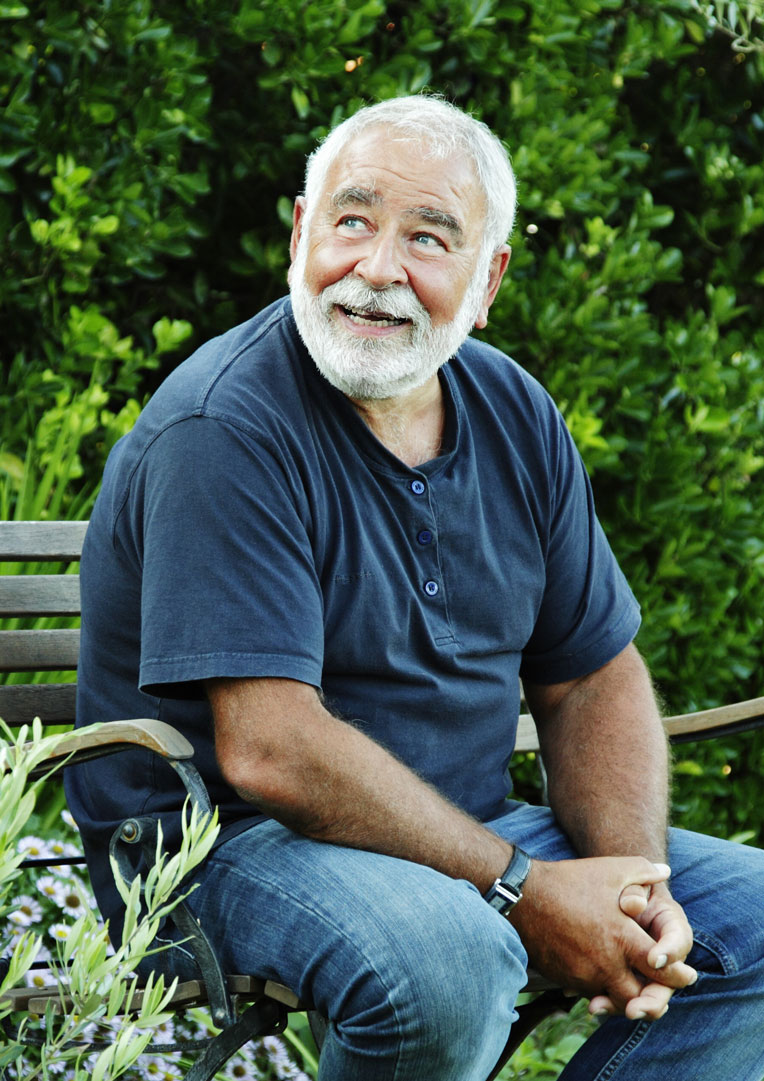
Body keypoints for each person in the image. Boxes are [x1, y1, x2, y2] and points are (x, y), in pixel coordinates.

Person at [68, 95, 764, 1081]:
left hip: (462, 832)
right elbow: (271, 749)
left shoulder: (513, 409)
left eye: (428, 239)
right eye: (350, 222)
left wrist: (628, 889)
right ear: (299, 236)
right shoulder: (225, 428)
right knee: (447, 961)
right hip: (218, 846)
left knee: (755, 927)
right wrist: (524, 889)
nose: (377, 269)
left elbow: (589, 677)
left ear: (486, 281)